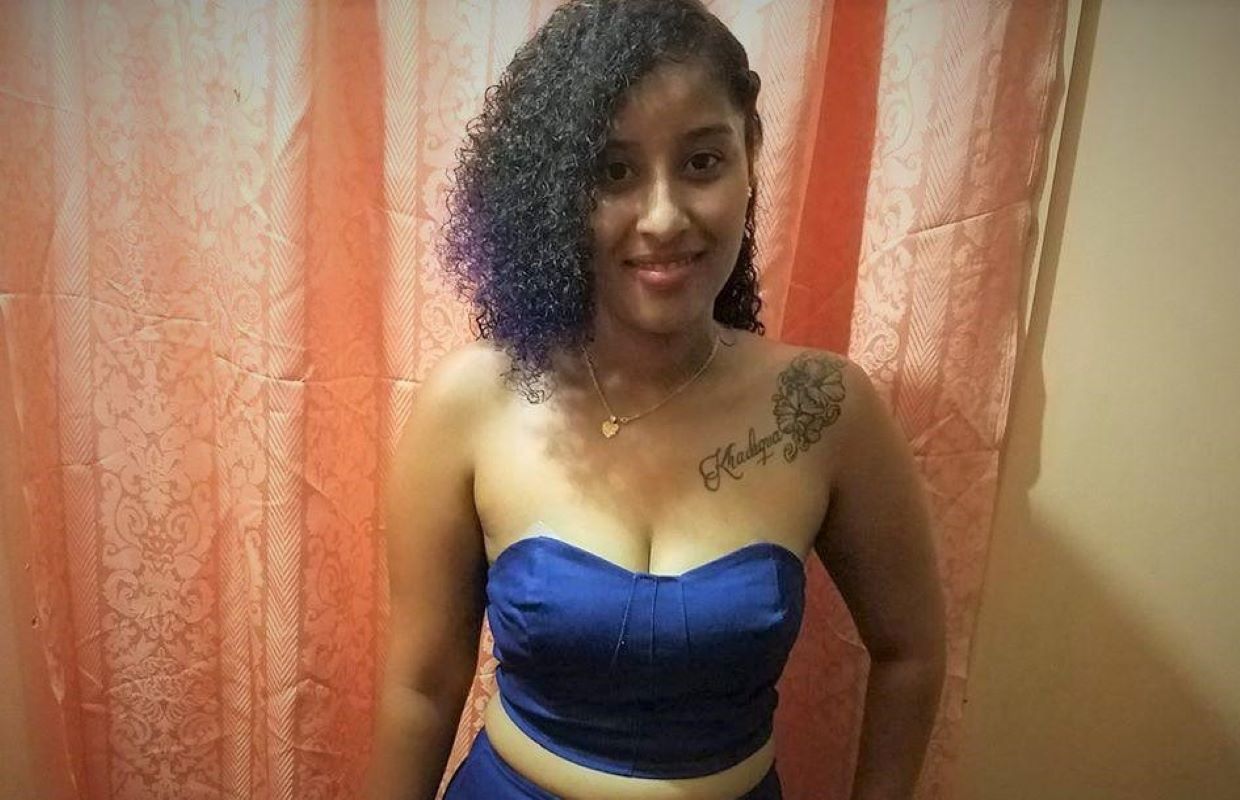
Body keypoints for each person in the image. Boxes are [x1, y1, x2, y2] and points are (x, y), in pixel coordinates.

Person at [367, 1, 946, 798]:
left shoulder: (823, 409)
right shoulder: (472, 402)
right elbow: (422, 687)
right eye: (614, 172)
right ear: (558, 189)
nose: (664, 216)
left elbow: (912, 653)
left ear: (750, 158)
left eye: (702, 162)